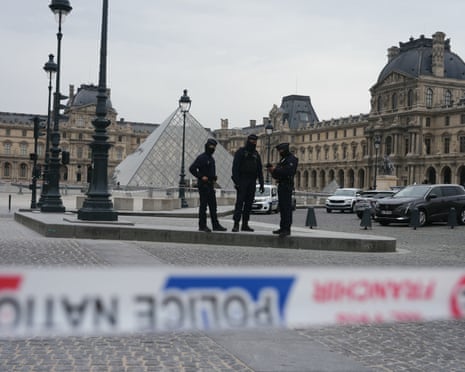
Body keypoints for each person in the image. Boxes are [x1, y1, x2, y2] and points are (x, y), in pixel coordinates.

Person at [189, 139, 227, 232]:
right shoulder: (202, 157)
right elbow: (192, 168)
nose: (213, 148)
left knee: (213, 206)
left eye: (214, 147)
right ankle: (202, 225)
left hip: (210, 185)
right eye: (211, 146)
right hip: (203, 185)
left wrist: (214, 177)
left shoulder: (211, 158)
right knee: (204, 206)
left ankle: (215, 225)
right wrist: (201, 177)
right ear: (207, 146)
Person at [231, 134, 265, 232]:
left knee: (249, 204)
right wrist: (237, 182)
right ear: (248, 140)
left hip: (252, 180)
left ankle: (245, 224)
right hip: (242, 180)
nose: (253, 142)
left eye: (255, 141)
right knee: (239, 203)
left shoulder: (256, 154)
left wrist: (261, 183)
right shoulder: (240, 152)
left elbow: (259, 170)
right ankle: (236, 224)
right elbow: (235, 168)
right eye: (252, 140)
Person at [266, 143, 298, 238]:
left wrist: (275, 170)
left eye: (281, 150)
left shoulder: (291, 159)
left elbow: (288, 172)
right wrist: (272, 171)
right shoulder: (283, 159)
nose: (280, 152)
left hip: (287, 186)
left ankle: (287, 229)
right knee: (282, 208)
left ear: (286, 149)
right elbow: (278, 174)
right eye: (279, 151)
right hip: (281, 185)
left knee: (287, 208)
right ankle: (282, 227)